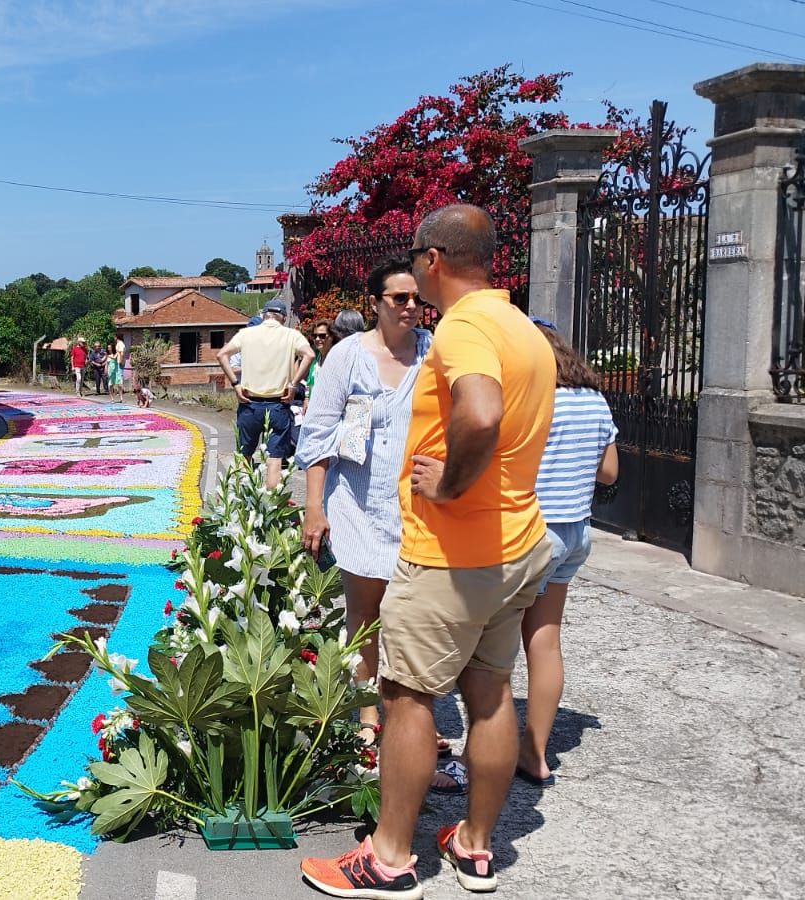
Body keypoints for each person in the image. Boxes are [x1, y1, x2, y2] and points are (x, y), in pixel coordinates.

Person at [302, 205, 556, 899]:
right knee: (491, 692)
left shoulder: (467, 327)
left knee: (407, 697)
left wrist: (446, 480)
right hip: (515, 543)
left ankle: (386, 859)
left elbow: (479, 414)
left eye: (417, 261)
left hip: (455, 550)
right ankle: (475, 847)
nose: (414, 276)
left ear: (434, 259)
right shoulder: (522, 329)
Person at [295, 258, 430, 746]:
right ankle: (369, 717)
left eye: (417, 298)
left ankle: (411, 714)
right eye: (400, 298)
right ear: (376, 304)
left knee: (411, 616)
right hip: (356, 500)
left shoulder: (432, 353)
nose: (412, 307)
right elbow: (319, 434)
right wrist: (315, 506)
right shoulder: (347, 356)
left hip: (418, 506)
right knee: (365, 613)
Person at [518, 321, 619, 787]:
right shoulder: (593, 400)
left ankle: (495, 748)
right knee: (546, 641)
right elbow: (610, 473)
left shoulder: (535, 398)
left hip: (533, 530)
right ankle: (535, 752)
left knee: (492, 648)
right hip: (576, 530)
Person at [213, 298, 314, 486]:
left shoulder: (246, 334)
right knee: (275, 458)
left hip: (249, 402)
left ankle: (242, 502)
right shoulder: (291, 335)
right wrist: (293, 384)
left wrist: (235, 384)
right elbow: (309, 354)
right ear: (283, 318)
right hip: (279, 403)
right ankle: (271, 504)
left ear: (264, 315)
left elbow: (222, 355)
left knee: (245, 455)